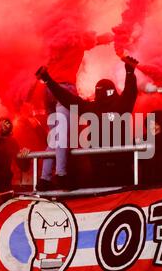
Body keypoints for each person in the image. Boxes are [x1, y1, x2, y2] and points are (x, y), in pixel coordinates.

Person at [35, 56, 139, 188]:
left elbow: (130, 92)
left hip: (119, 168)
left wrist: (130, 72)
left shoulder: (117, 106)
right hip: (101, 168)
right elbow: (68, 99)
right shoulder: (99, 107)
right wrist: (48, 80)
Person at [37, 31, 114, 191]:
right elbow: (98, 39)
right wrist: (116, 35)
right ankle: (61, 174)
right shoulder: (78, 39)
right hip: (64, 89)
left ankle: (44, 178)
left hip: (47, 89)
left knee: (54, 137)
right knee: (63, 134)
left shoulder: (53, 42)